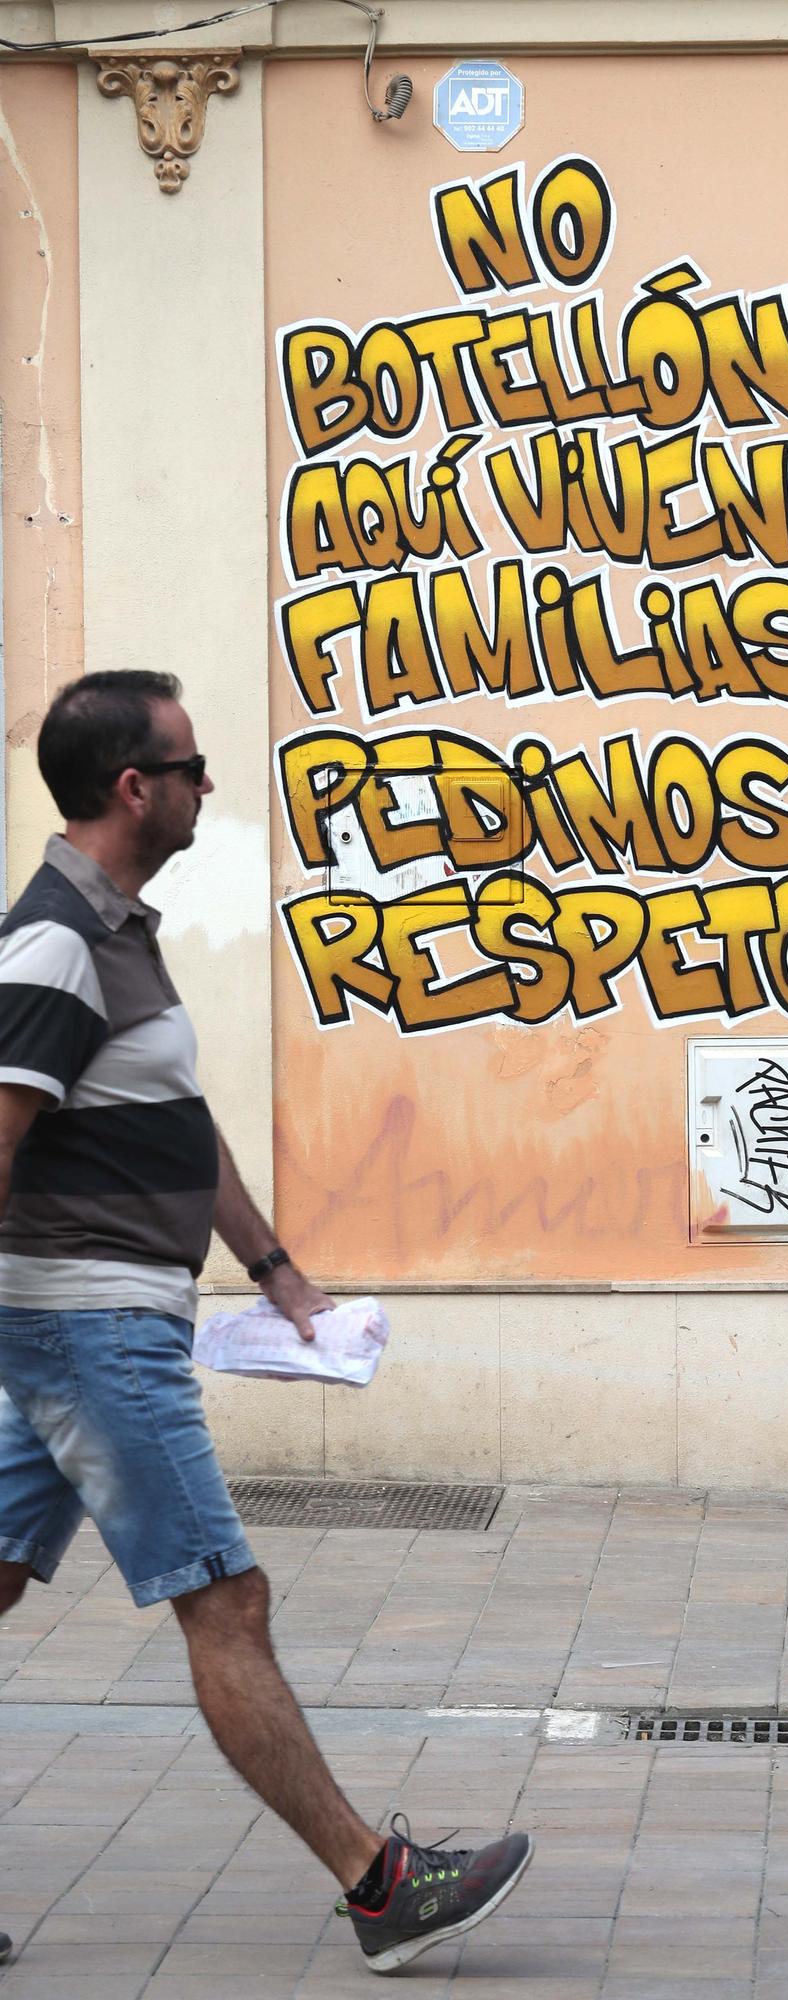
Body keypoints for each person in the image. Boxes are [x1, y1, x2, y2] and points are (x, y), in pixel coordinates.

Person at [0, 671, 531, 1974]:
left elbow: (169, 1114)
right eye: (190, 766)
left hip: (75, 1329)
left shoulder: (116, 926)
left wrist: (274, 1269)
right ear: (134, 788)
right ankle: (378, 1884)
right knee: (225, 1599)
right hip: (91, 1329)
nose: (207, 785)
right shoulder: (55, 945)